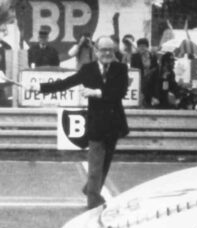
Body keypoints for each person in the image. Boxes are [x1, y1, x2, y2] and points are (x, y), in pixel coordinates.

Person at [26, 36, 129, 209]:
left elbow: (119, 92)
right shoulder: (88, 69)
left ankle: (90, 188)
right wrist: (39, 88)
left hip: (114, 124)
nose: (107, 53)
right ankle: (93, 200)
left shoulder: (121, 68)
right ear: (96, 51)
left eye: (110, 50)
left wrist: (96, 92)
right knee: (95, 164)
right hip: (96, 123)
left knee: (105, 164)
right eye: (103, 50)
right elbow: (66, 83)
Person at [130, 38, 159, 107]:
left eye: (143, 46)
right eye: (140, 46)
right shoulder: (134, 57)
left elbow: (155, 68)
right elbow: (133, 70)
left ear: (147, 47)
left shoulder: (152, 56)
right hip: (140, 81)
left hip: (151, 80)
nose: (141, 48)